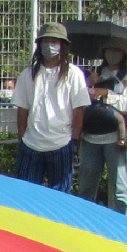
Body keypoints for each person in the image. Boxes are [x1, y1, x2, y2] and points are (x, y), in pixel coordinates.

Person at [11, 22, 89, 191]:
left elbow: (79, 110)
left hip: (61, 143)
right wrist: (23, 138)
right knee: (25, 194)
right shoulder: (28, 74)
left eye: (54, 41)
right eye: (45, 41)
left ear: (63, 45)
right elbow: (22, 110)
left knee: (60, 198)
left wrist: (73, 140)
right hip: (32, 144)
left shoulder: (73, 74)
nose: (49, 46)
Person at [75, 38, 127, 217]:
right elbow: (79, 99)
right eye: (109, 50)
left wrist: (106, 94)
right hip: (91, 136)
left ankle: (124, 226)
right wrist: (91, 84)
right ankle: (83, 223)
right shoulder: (94, 72)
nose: (113, 54)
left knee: (120, 188)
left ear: (124, 54)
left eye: (117, 50)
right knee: (86, 187)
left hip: (116, 138)